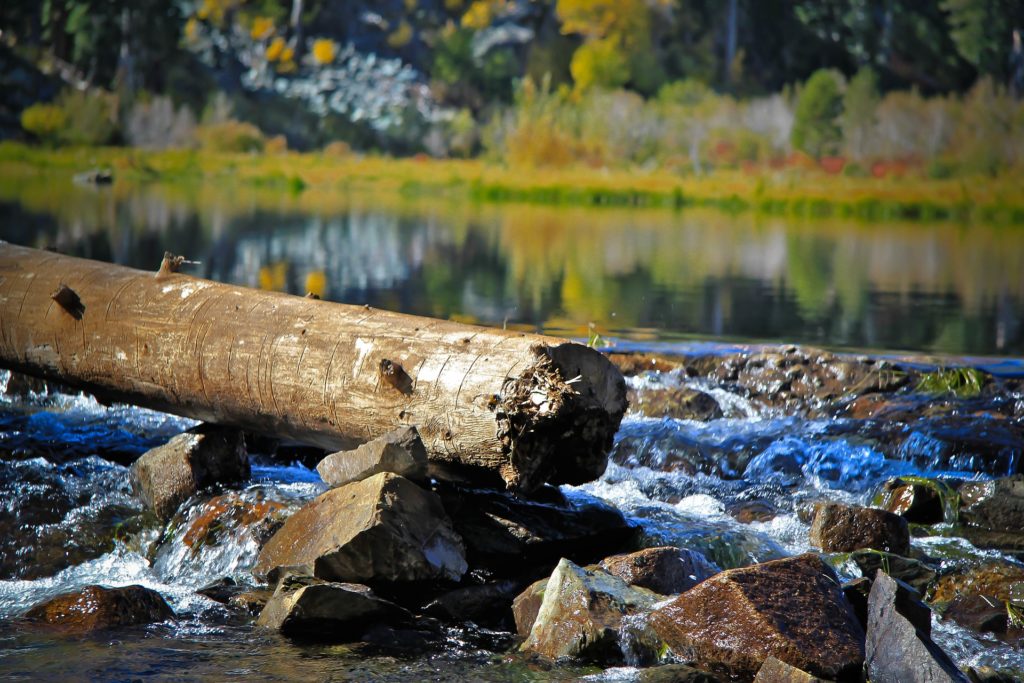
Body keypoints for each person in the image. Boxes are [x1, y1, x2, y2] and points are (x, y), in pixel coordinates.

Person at [1011, 29, 1024, 99]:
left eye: (1016, 36)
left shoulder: (1020, 47)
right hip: (1018, 69)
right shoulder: (1015, 48)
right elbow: (1013, 61)